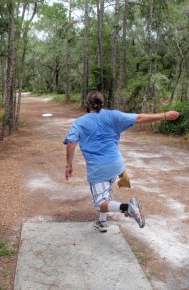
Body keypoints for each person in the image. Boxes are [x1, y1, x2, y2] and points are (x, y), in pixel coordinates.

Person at [63, 91, 180, 232]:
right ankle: (102, 222)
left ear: (88, 105)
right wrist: (165, 115)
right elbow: (140, 118)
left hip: (98, 169)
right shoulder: (113, 115)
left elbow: (71, 143)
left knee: (100, 203)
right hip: (117, 165)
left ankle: (127, 208)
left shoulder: (80, 122)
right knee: (106, 195)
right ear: (102, 103)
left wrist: (69, 165)